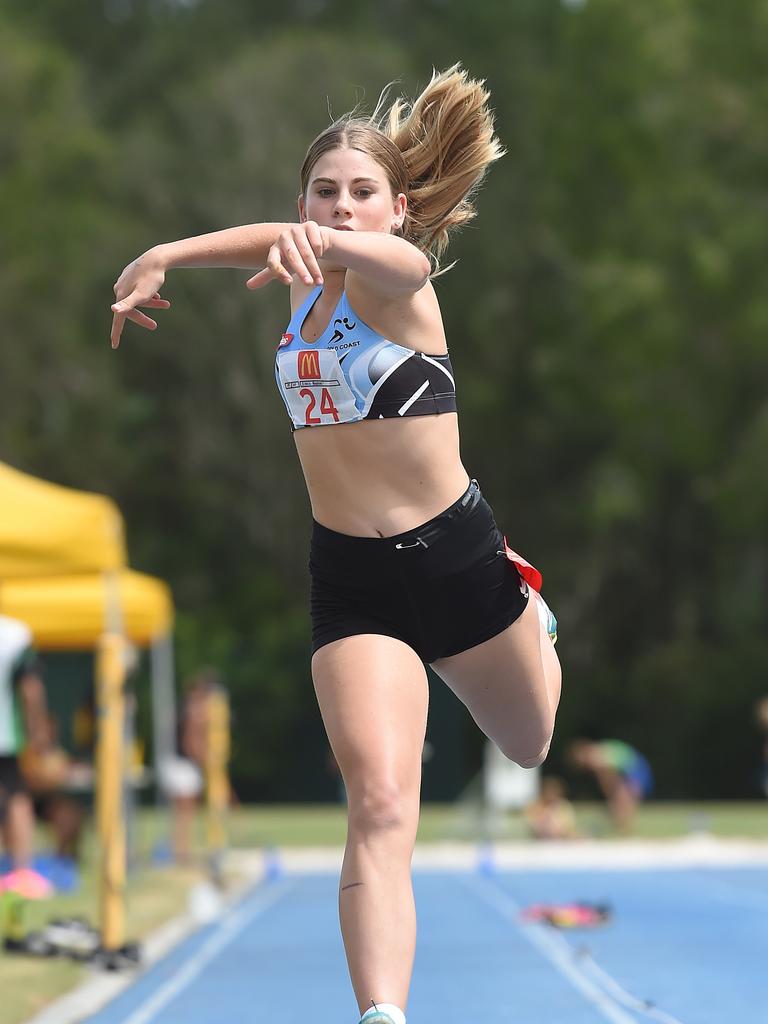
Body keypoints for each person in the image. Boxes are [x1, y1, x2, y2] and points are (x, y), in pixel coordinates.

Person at [110, 65, 562, 1024]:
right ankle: (381, 1013)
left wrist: (217, 245)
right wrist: (159, 254)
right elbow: (279, 248)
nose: (342, 210)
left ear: (399, 210)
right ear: (301, 201)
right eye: (324, 193)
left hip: (459, 561)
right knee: (382, 805)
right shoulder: (300, 290)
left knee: (528, 746)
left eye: (363, 194)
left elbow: (346, 252)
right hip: (351, 578)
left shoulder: (403, 280)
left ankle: (535, 611)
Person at [0, 616, 53, 898]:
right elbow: (30, 689)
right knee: (17, 799)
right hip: (5, 736)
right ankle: (22, 873)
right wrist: (39, 732)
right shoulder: (14, 635)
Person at [568, 738, 653, 834]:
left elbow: (610, 779)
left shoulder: (596, 759)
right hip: (635, 766)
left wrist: (613, 797)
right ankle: (624, 829)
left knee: (623, 802)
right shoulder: (599, 751)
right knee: (623, 803)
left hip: (634, 769)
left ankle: (624, 829)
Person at [523, 776, 578, 840]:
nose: (550, 793)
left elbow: (568, 828)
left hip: (560, 841)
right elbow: (531, 825)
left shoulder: (563, 806)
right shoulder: (535, 805)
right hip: (539, 842)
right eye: (548, 790)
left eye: (553, 790)